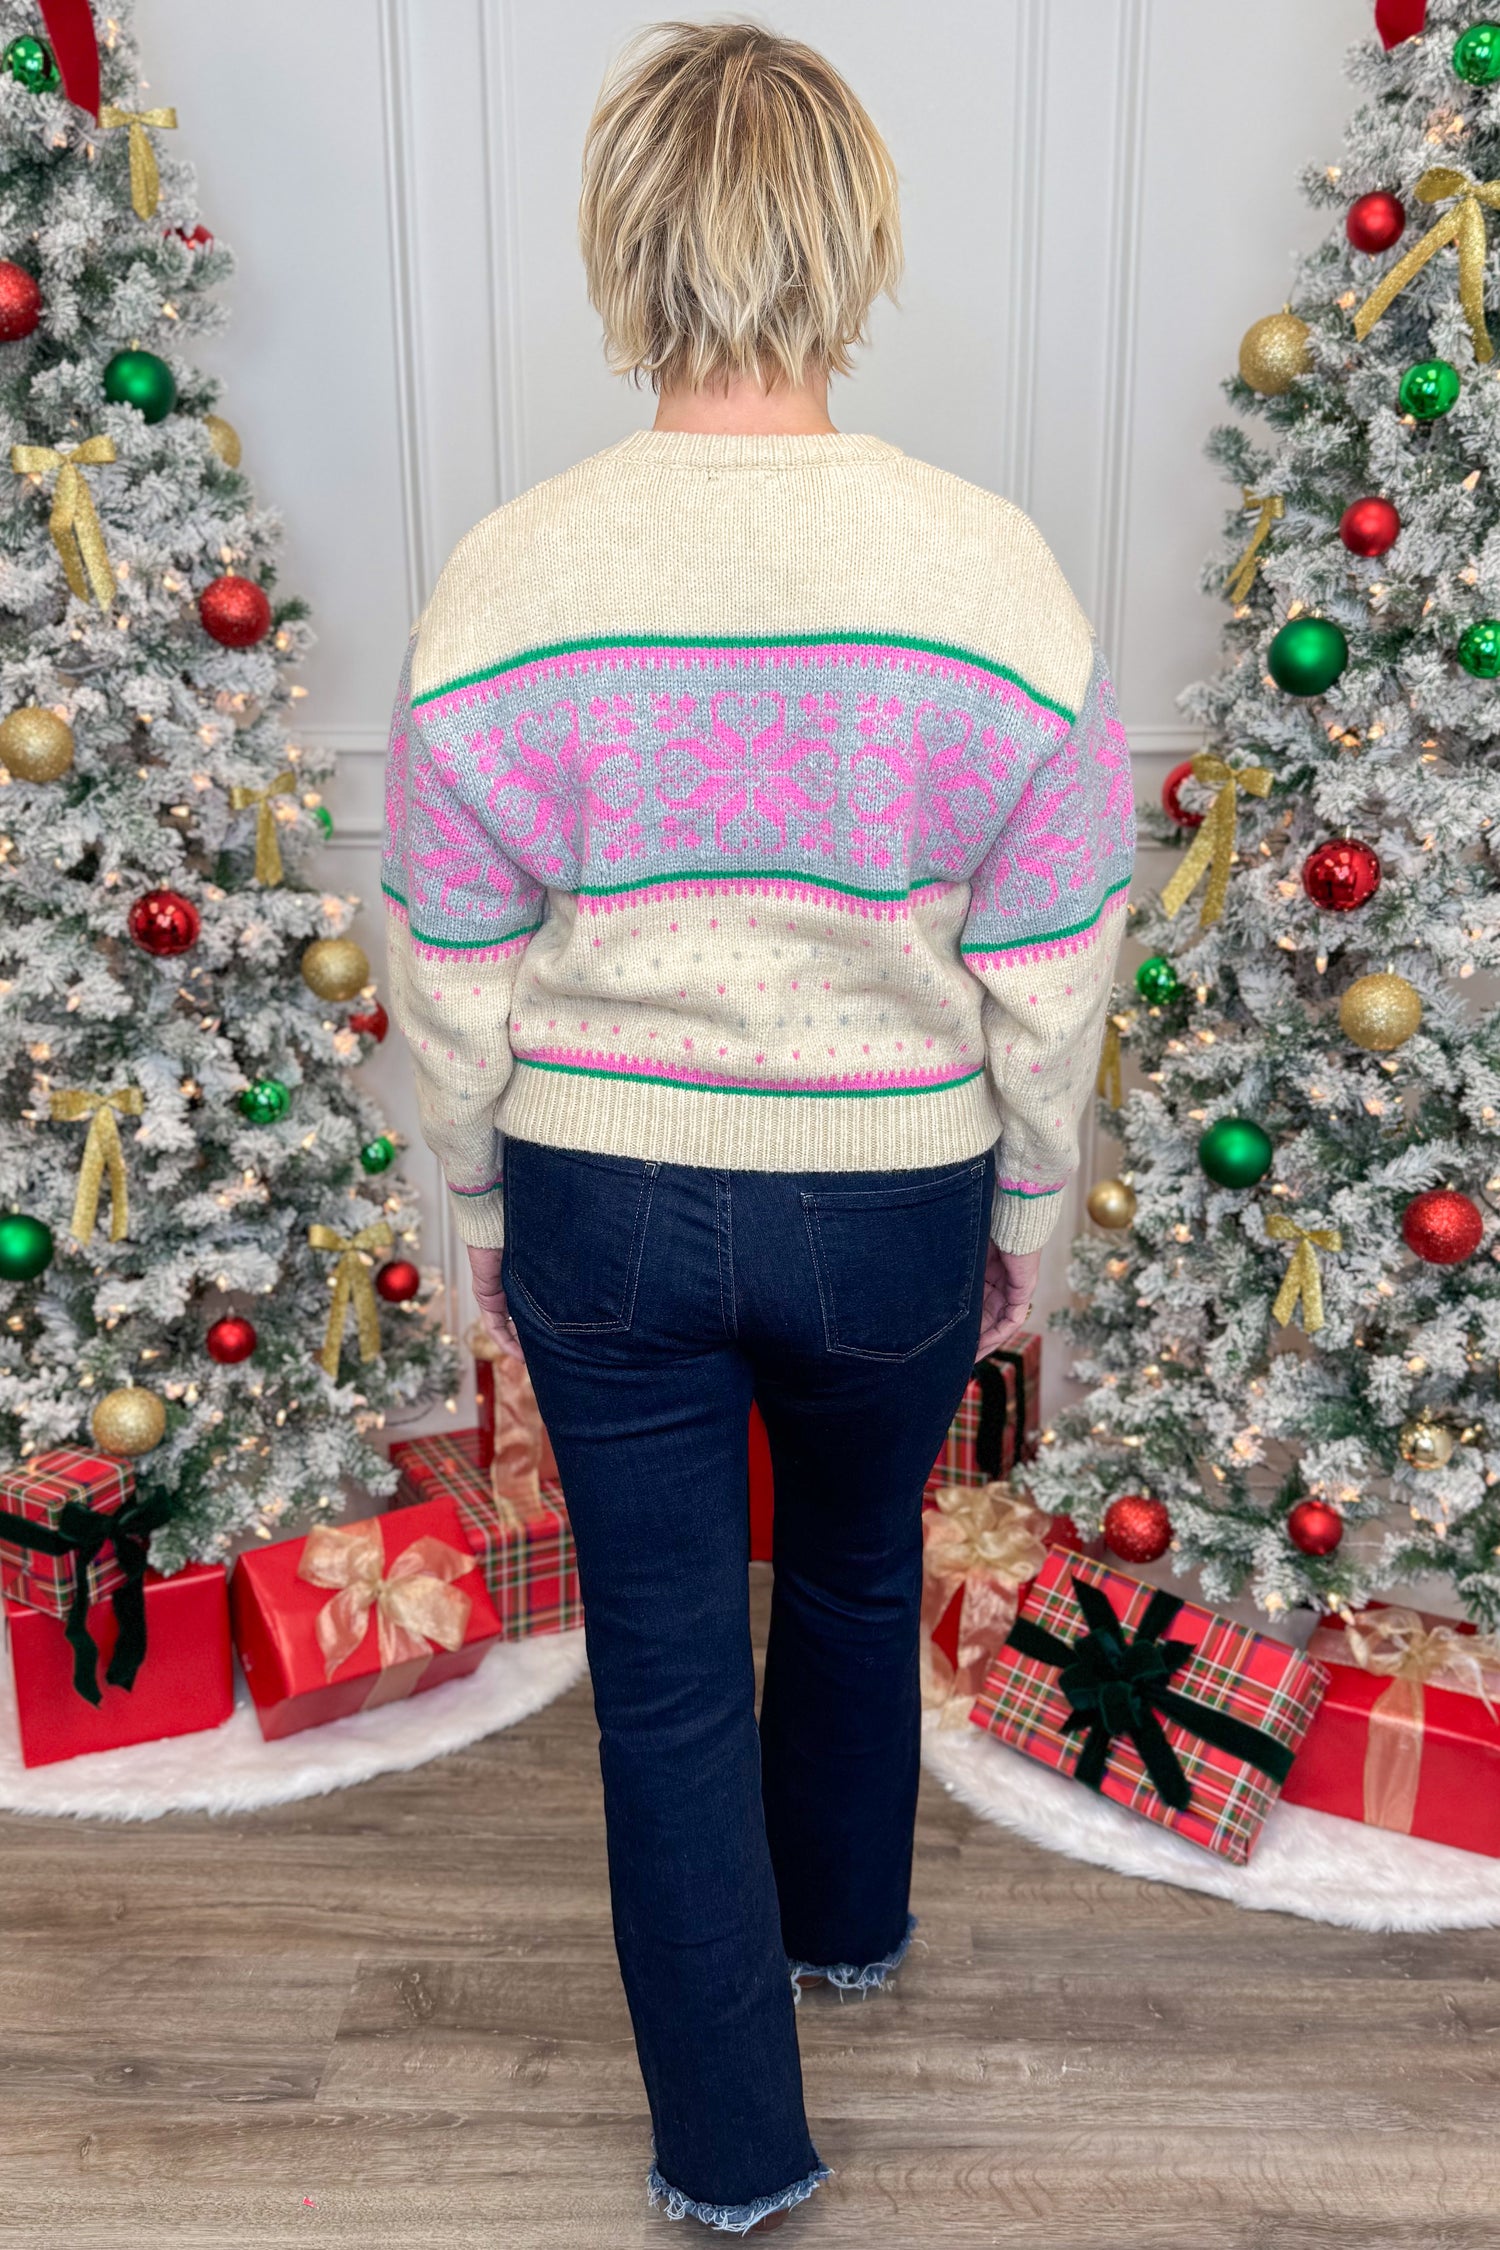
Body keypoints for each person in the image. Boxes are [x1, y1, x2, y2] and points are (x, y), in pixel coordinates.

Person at [381, 18, 1132, 2233]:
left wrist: (488, 1192)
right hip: (894, 1181)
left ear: (626, 241)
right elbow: (1059, 951)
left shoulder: (514, 574)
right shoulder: (985, 570)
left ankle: (732, 2153)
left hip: (608, 1188)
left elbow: (449, 957)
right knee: (868, 1559)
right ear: (851, 239)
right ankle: (852, 1927)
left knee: (667, 1671)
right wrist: (1022, 1209)